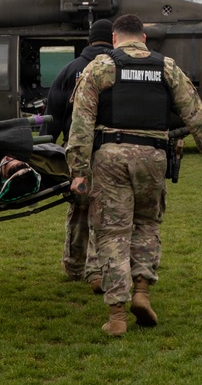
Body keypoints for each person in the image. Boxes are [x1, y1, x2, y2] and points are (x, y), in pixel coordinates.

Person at [66, 14, 202, 337]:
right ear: (143, 38)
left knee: (113, 234)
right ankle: (142, 291)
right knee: (147, 224)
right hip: (153, 155)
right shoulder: (166, 67)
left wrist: (78, 171)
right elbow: (196, 116)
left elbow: (81, 124)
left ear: (114, 38)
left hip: (110, 156)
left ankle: (117, 315)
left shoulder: (99, 67)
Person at [41, 18, 114, 293]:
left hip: (78, 153)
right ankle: (97, 270)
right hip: (110, 151)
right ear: (114, 40)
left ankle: (74, 265)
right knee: (105, 211)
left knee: (80, 207)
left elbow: (54, 114)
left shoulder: (70, 69)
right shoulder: (119, 68)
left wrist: (49, 148)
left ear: (89, 40)